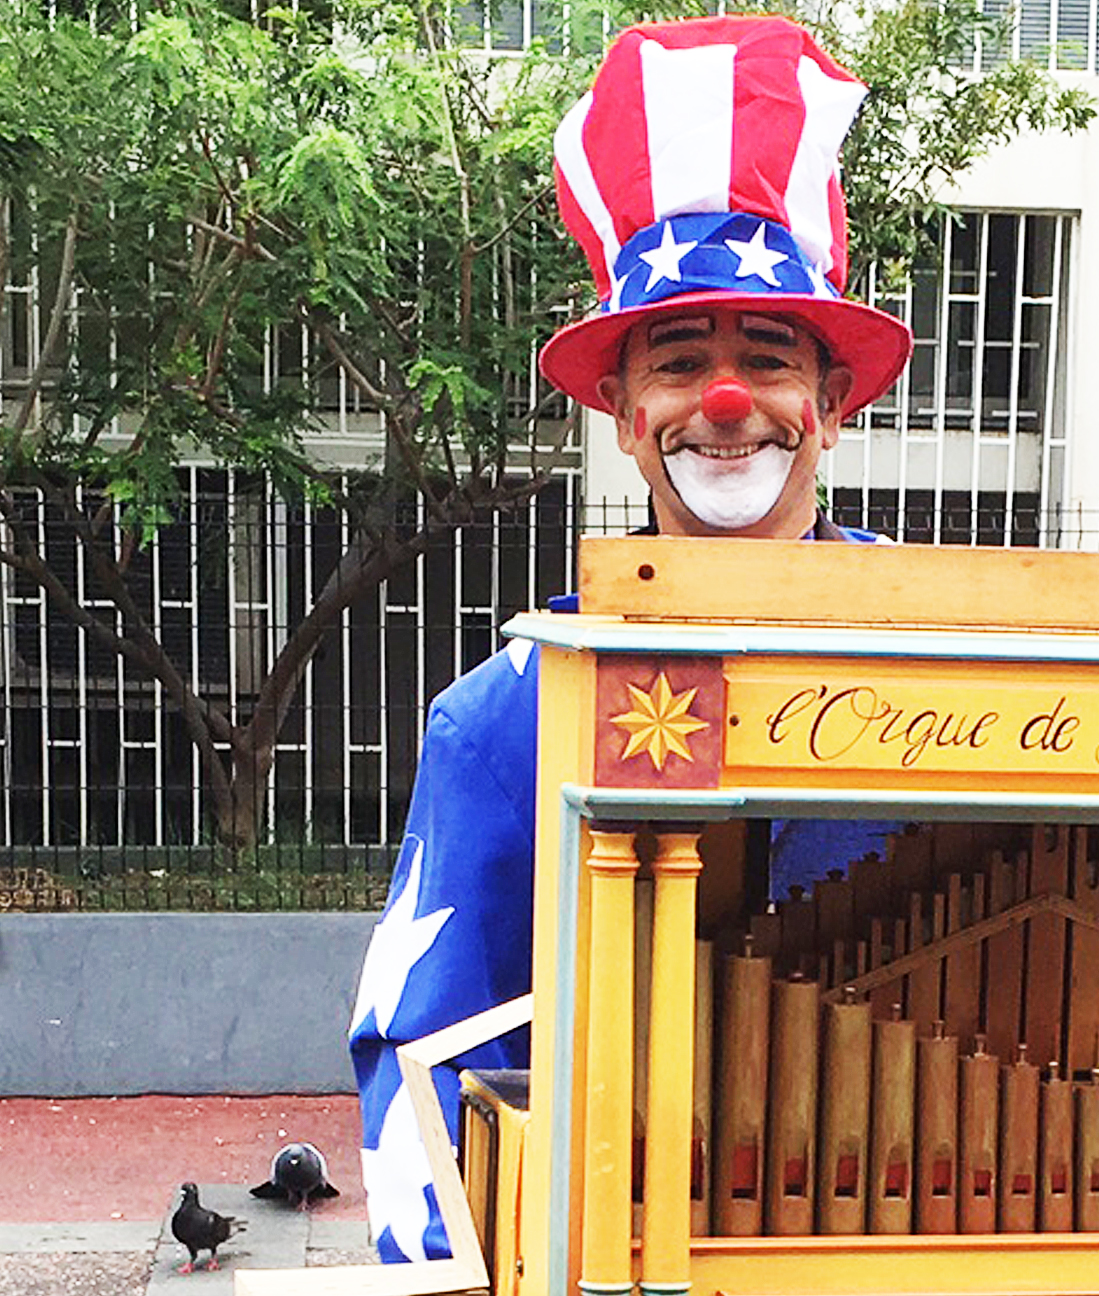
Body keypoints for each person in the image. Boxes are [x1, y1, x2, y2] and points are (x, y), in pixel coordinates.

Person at [347, 15, 914, 1262]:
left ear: (827, 409)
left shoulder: (978, 661)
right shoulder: (508, 716)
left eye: (766, 358)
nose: (725, 403)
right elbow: (425, 1058)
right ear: (624, 414)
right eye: (678, 362)